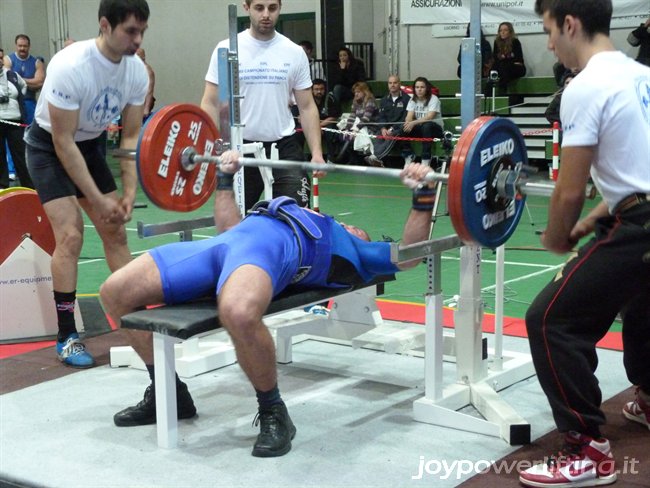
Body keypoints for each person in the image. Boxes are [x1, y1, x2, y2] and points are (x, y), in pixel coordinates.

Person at [100, 155, 438, 458]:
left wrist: (423, 195)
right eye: (353, 226)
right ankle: (169, 393)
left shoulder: (356, 251)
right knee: (114, 292)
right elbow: (228, 228)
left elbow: (410, 254)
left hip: (272, 253)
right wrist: (224, 177)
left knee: (238, 312)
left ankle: (274, 411)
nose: (354, 227)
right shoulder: (308, 213)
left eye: (360, 230)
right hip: (227, 244)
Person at [519, 1, 650, 487]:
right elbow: (635, 175)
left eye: (550, 31)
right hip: (639, 216)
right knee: (640, 298)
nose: (550, 43)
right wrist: (591, 224)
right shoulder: (641, 75)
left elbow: (570, 189)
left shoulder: (584, 87)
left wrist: (557, 238)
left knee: (551, 320)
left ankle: (586, 450)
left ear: (570, 24)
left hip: (642, 225)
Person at [23, 0, 150, 368]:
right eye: (130, 31)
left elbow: (130, 137)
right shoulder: (70, 66)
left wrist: (128, 192)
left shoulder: (136, 72)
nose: (137, 40)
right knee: (72, 234)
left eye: (142, 31)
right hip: (48, 146)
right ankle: (66, 335)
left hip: (90, 146)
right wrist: (96, 197)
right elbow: (63, 143)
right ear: (105, 26)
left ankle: (138, 320)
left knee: (116, 231)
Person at [200, 0, 325, 212]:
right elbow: (211, 103)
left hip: (284, 147)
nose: (266, 14)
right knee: (236, 225)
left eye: (272, 8)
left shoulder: (294, 52)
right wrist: (218, 147)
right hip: (240, 150)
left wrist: (317, 153)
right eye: (259, 8)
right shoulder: (226, 49)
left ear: (280, 8)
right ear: (246, 7)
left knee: (295, 218)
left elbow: (306, 107)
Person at [0, 48, 32, 189]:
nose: (0, 61)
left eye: (1, 58)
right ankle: (2, 187)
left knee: (21, 156)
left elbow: (23, 87)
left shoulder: (12, 75)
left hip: (16, 121)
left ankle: (29, 187)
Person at [293, 78, 341, 161]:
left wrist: (318, 126)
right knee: (298, 131)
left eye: (321, 89)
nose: (319, 91)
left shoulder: (330, 98)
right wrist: (314, 126)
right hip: (309, 124)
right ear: (312, 90)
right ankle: (299, 158)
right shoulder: (306, 99)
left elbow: (334, 117)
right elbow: (300, 118)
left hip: (325, 124)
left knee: (330, 131)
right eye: (316, 89)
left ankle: (331, 158)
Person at [3, 34, 45, 125]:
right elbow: (7, 80)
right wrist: (30, 82)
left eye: (25, 46)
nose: (22, 48)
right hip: (12, 103)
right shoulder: (7, 60)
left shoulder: (37, 63)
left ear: (29, 46)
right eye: (20, 46)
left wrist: (17, 78)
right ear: (16, 46)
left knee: (31, 130)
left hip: (29, 102)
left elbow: (39, 83)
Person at [402, 76, 444, 167]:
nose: (419, 90)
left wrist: (413, 123)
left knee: (427, 125)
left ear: (426, 88)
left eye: (422, 87)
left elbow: (430, 117)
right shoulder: (413, 99)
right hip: (421, 128)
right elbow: (409, 116)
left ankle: (425, 159)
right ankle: (408, 155)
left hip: (435, 129)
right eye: (417, 87)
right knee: (404, 126)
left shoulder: (434, 99)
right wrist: (408, 122)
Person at [334, 81, 379, 165]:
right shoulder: (355, 102)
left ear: (364, 92)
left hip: (371, 127)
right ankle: (353, 158)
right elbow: (352, 117)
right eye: (355, 92)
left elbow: (366, 118)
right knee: (343, 135)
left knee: (353, 136)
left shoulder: (370, 101)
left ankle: (356, 160)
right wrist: (347, 129)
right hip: (359, 126)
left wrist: (356, 129)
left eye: (358, 92)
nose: (356, 94)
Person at [371, 74, 412, 166]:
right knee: (378, 134)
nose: (392, 85)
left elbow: (405, 118)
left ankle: (377, 157)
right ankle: (377, 157)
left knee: (393, 134)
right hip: (386, 128)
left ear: (399, 84)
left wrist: (392, 128)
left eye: (395, 82)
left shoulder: (407, 99)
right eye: (390, 83)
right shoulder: (384, 100)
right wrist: (382, 128)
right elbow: (381, 117)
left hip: (398, 128)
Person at [492, 22, 526, 90]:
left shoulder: (515, 42)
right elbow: (496, 59)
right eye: (500, 30)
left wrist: (503, 58)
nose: (503, 32)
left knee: (506, 68)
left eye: (505, 30)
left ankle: (503, 90)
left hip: (515, 68)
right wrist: (509, 58)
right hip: (502, 67)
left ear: (510, 31)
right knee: (495, 69)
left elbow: (518, 59)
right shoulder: (496, 42)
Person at [135, 47, 155, 118]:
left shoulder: (147, 71)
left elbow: (150, 91)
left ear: (143, 58)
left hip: (142, 103)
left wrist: (146, 109)